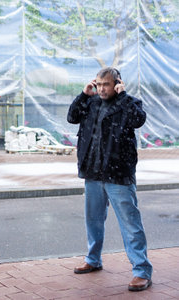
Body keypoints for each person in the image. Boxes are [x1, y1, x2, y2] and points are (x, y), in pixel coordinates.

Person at [67, 67, 153, 292]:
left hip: (118, 174)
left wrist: (123, 96)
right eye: (98, 84)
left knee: (130, 224)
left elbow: (138, 120)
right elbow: (72, 117)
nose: (101, 89)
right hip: (92, 173)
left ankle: (142, 271)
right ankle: (93, 260)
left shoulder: (129, 102)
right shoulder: (91, 101)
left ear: (117, 83)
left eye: (106, 84)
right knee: (93, 220)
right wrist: (84, 95)